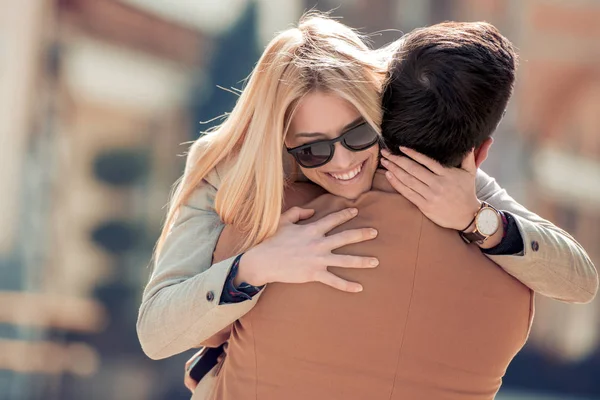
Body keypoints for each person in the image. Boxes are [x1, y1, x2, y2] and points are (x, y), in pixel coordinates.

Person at [135, 11, 596, 387]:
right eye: (312, 148)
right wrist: (255, 268)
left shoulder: (418, 167)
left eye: (357, 134)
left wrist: (478, 219)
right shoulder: (230, 175)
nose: (341, 162)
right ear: (281, 141)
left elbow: (578, 280)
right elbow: (157, 333)